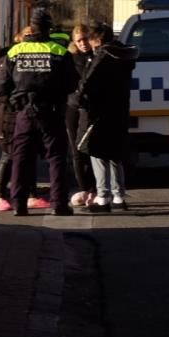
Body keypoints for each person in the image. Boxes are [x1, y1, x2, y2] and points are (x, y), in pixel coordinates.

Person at [0, 9, 78, 216]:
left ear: (31, 27)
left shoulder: (15, 52)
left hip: (23, 112)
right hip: (51, 111)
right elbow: (71, 83)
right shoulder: (59, 51)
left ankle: (19, 205)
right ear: (49, 28)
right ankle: (59, 204)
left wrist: (15, 104)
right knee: (57, 158)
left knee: (21, 158)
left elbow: (0, 87)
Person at [77, 21, 138, 212]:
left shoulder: (103, 56)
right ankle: (119, 196)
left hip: (100, 111)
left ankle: (102, 198)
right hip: (119, 109)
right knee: (115, 155)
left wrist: (80, 99)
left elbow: (88, 83)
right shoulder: (125, 55)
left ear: (98, 39)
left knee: (97, 153)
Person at [0, 27, 46, 211]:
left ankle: (31, 194)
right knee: (8, 155)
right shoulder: (9, 58)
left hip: (26, 112)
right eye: (27, 36)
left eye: (33, 36)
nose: (31, 40)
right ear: (20, 38)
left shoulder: (33, 59)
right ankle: (0, 196)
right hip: (10, 114)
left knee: (27, 154)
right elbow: (0, 88)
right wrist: (16, 102)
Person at [66, 24, 97, 207]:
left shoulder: (96, 57)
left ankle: (93, 188)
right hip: (73, 107)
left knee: (91, 148)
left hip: (90, 108)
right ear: (74, 42)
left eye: (85, 39)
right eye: (79, 40)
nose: (83, 43)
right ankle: (83, 187)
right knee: (76, 149)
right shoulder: (70, 59)